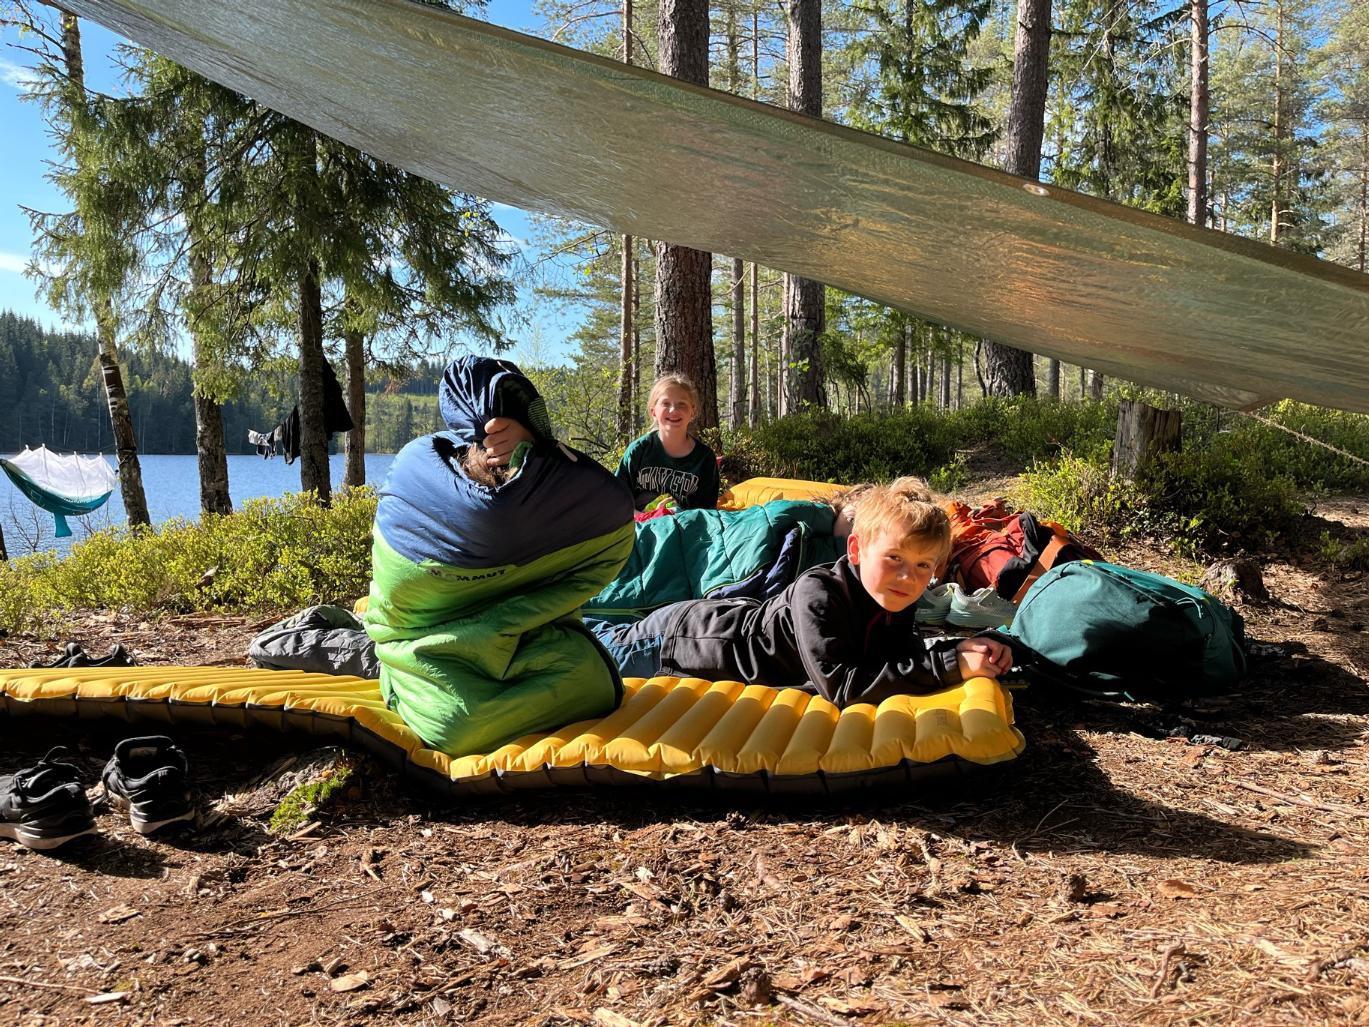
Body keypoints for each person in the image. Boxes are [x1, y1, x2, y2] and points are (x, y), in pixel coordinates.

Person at [364, 356, 636, 757]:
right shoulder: (433, 476)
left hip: (524, 640)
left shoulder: (418, 461)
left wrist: (534, 449)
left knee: (591, 684)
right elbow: (603, 518)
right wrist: (538, 448)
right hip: (423, 643)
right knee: (459, 723)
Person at [586, 477, 1013, 707]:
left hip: (706, 630)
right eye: (895, 559)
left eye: (923, 566)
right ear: (856, 550)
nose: (907, 577)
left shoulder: (894, 598)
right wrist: (950, 665)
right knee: (585, 648)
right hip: (680, 639)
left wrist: (978, 648)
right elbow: (842, 686)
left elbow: (896, 656)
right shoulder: (819, 592)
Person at [616, 373, 720, 511]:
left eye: (682, 404)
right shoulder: (639, 450)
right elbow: (617, 499)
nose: (673, 410)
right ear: (653, 411)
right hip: (639, 527)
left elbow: (706, 512)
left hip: (684, 528)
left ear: (692, 411)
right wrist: (647, 517)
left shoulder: (704, 458)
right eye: (666, 403)